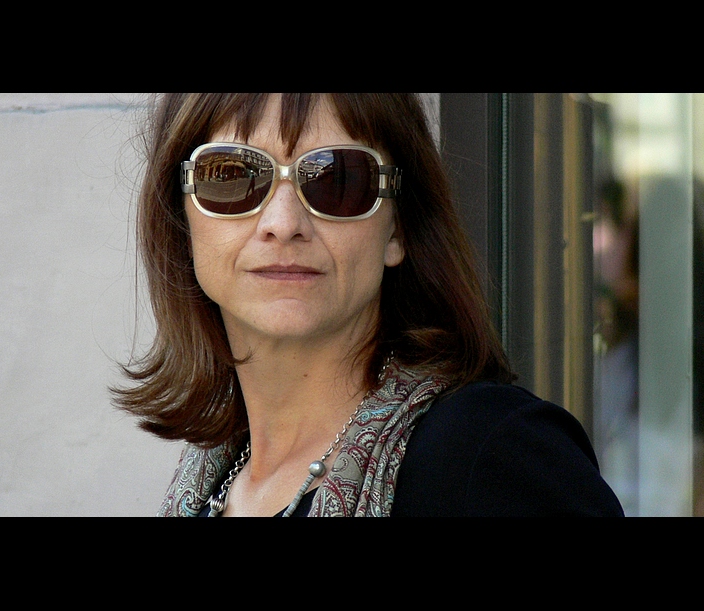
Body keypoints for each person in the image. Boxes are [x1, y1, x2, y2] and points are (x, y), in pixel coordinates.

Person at [113, 93, 624, 517]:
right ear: (182, 223)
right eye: (232, 175)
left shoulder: (487, 453)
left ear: (397, 228)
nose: (283, 224)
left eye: (338, 179)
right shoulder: (212, 485)